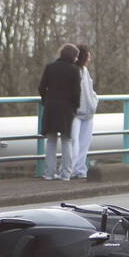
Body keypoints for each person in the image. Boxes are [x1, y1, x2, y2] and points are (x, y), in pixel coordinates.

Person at [38, 44, 81, 180]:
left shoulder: (50, 67)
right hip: (67, 109)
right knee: (66, 140)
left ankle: (48, 173)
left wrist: (46, 100)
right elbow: (76, 92)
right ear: (73, 57)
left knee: (51, 141)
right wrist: (75, 107)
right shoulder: (74, 70)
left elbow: (41, 87)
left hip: (51, 107)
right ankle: (66, 174)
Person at [69, 44, 99, 179]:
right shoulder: (74, 70)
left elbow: (90, 90)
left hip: (87, 112)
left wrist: (93, 101)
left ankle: (79, 169)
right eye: (88, 55)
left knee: (84, 144)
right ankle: (70, 169)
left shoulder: (85, 71)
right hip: (76, 112)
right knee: (74, 143)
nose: (90, 58)